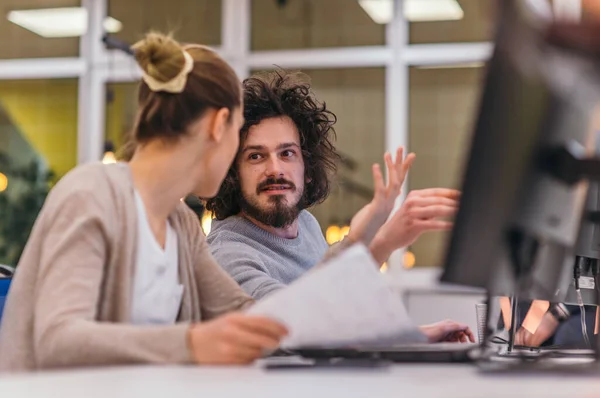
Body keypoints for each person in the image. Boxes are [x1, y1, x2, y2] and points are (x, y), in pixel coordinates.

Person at [0, 32, 292, 371]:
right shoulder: (91, 194)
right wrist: (190, 344)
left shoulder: (180, 222)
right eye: (237, 131)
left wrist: (353, 254)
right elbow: (57, 339)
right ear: (218, 124)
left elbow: (246, 314)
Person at [206, 71, 473, 343]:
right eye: (256, 156)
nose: (275, 169)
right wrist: (375, 243)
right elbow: (286, 326)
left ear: (307, 169)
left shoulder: (307, 225)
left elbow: (333, 326)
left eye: (287, 153)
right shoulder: (226, 253)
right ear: (232, 173)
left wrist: (415, 337)